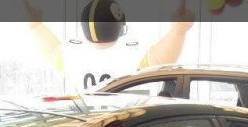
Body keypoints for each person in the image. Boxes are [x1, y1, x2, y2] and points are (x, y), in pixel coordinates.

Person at [25, 0, 194, 91]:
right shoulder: (132, 55)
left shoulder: (72, 54)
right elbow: (160, 58)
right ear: (120, 25)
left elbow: (51, 50)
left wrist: (35, 25)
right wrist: (177, 32)